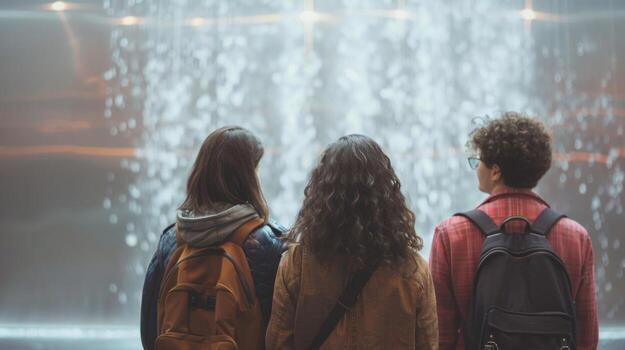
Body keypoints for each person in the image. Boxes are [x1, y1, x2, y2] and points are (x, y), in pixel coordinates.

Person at [429, 112, 598, 350]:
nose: (476, 167)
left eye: (478, 161)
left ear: (495, 171)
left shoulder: (450, 234)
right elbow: (587, 335)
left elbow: (440, 334)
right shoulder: (576, 237)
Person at [266, 134, 438, 350]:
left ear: (321, 193)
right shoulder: (412, 269)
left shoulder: (297, 263)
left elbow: (278, 342)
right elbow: (428, 344)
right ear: (386, 194)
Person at [140, 126, 286, 350]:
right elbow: (280, 330)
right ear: (248, 176)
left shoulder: (173, 239)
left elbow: (150, 326)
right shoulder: (265, 242)